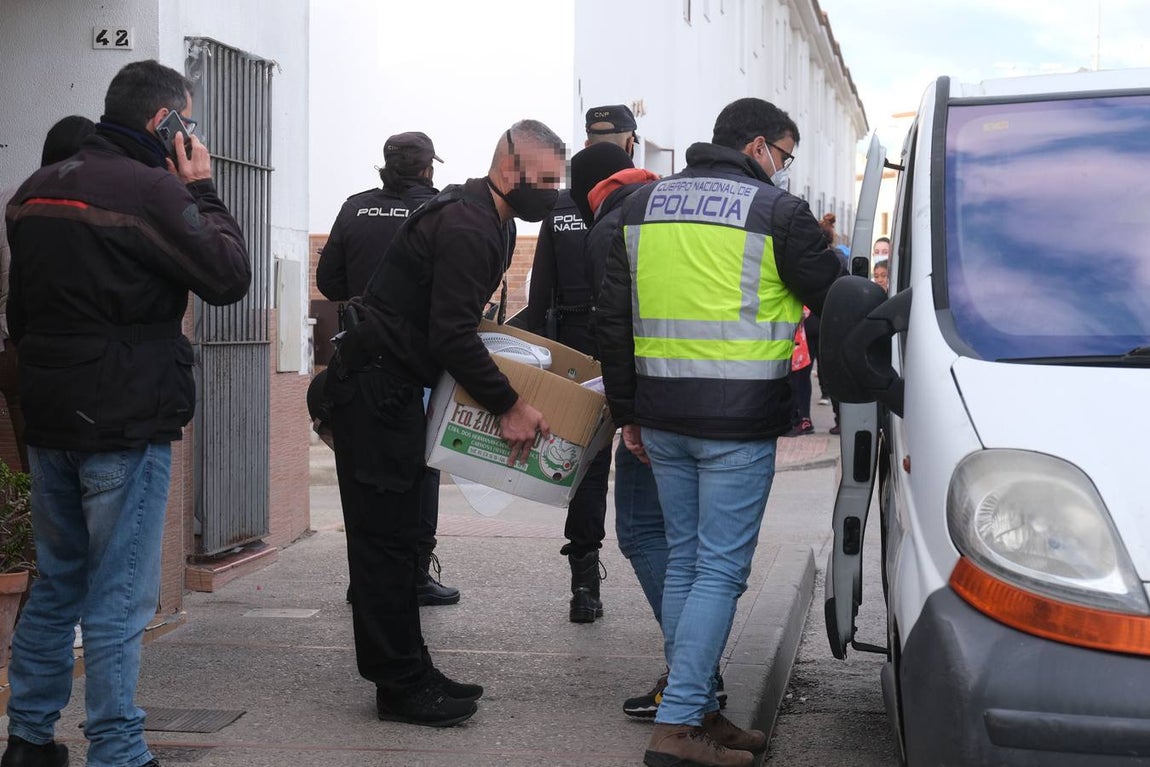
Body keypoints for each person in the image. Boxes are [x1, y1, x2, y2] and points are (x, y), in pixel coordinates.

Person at [2, 59, 251, 767]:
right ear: (163, 121)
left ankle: (28, 740)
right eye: (188, 121)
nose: (192, 133)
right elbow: (229, 276)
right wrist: (201, 187)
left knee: (56, 582)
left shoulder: (34, 189)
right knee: (117, 598)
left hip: (50, 418)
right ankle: (118, 750)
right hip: (124, 422)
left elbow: (20, 316)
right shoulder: (149, 191)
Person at [595, 97, 843, 767]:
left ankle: (698, 709)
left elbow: (612, 321)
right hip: (735, 423)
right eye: (785, 155)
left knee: (686, 561)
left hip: (664, 418)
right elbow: (837, 296)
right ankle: (677, 728)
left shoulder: (640, 208)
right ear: (758, 145)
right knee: (720, 570)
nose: (784, 168)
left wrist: (628, 414)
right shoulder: (776, 214)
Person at [322, 120, 564, 728]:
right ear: (510, 169)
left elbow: (459, 326)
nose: (554, 193)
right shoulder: (466, 222)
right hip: (375, 388)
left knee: (401, 542)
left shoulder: (494, 220)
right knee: (384, 545)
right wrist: (509, 403)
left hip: (395, 386)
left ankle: (410, 669)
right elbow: (452, 333)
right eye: (546, 180)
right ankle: (400, 685)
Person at [315, 131, 459, 607]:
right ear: (427, 168)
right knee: (421, 470)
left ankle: (366, 579)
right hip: (416, 364)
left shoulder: (355, 207)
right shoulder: (439, 210)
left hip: (358, 362)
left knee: (362, 476)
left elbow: (329, 280)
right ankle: (415, 572)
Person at [510, 104, 639, 623]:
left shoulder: (560, 206)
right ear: (630, 144)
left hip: (574, 348)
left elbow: (539, 293)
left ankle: (584, 584)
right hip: (629, 346)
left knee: (587, 467)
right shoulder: (644, 201)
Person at [0, 116, 96, 474]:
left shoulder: (12, 197)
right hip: (54, 353)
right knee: (56, 465)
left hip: (17, 342)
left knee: (35, 463)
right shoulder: (86, 206)